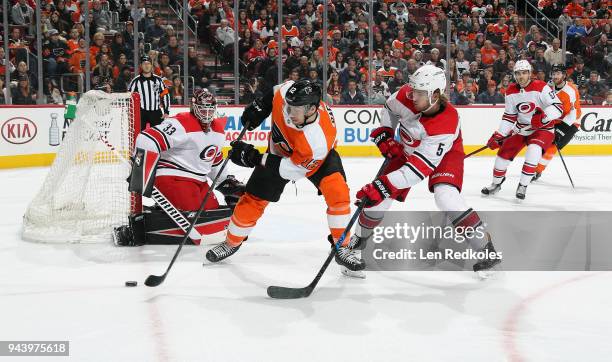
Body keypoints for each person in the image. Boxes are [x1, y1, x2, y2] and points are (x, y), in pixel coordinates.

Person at [352, 65, 501, 275]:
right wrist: (385, 133)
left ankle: (485, 249)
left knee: (446, 197)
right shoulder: (406, 94)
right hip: (407, 147)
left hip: (446, 154)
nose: (412, 96)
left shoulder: (446, 122)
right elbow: (389, 108)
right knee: (378, 199)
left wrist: (382, 184)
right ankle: (356, 242)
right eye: (413, 90)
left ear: (435, 95)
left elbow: (415, 172)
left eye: (420, 93)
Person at [205, 80, 361, 277]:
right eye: (287, 105)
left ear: (311, 109)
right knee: (252, 200)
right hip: (279, 153)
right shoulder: (287, 94)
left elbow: (288, 170)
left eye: (294, 109)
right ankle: (231, 242)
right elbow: (276, 90)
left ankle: (342, 247)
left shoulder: (317, 140)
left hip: (315, 160)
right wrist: (260, 106)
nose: (287, 112)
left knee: (337, 193)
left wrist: (252, 157)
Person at [112, 89, 245, 246]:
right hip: (171, 176)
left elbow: (214, 162)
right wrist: (141, 169)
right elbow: (147, 138)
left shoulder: (218, 131)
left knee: (210, 213)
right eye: (202, 109)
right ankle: (133, 230)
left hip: (199, 182)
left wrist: (225, 182)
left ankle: (158, 212)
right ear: (193, 107)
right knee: (197, 215)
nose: (206, 113)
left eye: (210, 109)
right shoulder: (181, 122)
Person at [481, 60, 563, 200]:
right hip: (521, 129)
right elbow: (509, 116)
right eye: (518, 73)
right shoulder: (511, 91)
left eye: (524, 73)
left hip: (543, 129)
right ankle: (496, 183)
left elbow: (558, 107)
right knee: (502, 157)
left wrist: (543, 118)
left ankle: (523, 185)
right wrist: (499, 135)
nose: (521, 76)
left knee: (534, 151)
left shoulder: (541, 87)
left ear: (530, 74)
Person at [533, 64, 582, 180]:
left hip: (571, 121)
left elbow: (573, 113)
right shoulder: (549, 86)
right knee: (539, 142)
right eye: (553, 73)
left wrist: (560, 131)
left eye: (558, 73)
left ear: (564, 75)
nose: (555, 76)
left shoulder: (570, 91)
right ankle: (533, 165)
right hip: (555, 119)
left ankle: (537, 171)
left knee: (553, 145)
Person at [129, 55, 170, 130]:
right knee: (139, 135)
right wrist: (131, 113)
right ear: (141, 66)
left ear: (151, 65)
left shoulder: (159, 80)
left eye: (148, 63)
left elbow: (165, 95)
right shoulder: (136, 81)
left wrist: (166, 111)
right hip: (141, 112)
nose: (146, 66)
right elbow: (129, 97)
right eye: (144, 64)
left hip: (156, 112)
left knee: (158, 135)